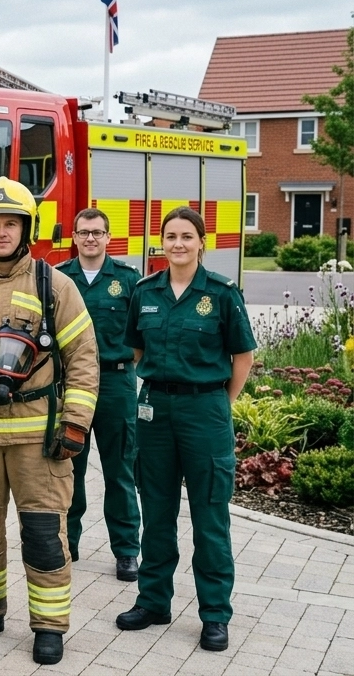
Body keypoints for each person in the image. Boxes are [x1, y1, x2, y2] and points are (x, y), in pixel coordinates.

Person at [0, 177, 99, 666]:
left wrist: (75, 423)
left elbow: (83, 357)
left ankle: (49, 626)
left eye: (11, 223)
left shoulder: (56, 286)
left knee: (44, 536)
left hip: (39, 440)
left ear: (26, 228)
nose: (2, 232)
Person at [115, 206, 254, 653]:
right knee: (156, 511)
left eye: (186, 236)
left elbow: (243, 358)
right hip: (155, 409)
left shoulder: (222, 293)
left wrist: (218, 404)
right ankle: (153, 602)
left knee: (210, 517)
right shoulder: (144, 291)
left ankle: (214, 614)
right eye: (171, 236)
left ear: (201, 243)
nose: (178, 244)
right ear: (162, 243)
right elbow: (137, 350)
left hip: (205, 410)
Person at [57, 208, 142, 580]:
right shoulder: (59, 278)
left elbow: (142, 334)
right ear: (74, 237)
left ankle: (126, 551)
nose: (90, 238)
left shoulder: (128, 280)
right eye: (83, 232)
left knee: (120, 472)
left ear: (109, 237)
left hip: (115, 384)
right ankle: (67, 543)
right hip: (70, 385)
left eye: (97, 232)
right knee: (67, 467)